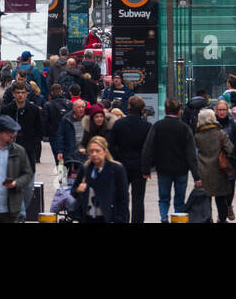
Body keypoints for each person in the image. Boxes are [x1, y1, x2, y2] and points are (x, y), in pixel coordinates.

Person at [141, 97, 200, 223]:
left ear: (166, 111)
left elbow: (148, 148)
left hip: (163, 168)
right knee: (179, 198)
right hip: (181, 169)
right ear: (179, 111)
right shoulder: (185, 128)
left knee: (164, 197)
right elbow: (191, 154)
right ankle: (178, 217)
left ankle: (164, 217)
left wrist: (146, 169)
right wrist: (196, 176)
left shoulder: (157, 126)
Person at [109, 95, 151, 224]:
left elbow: (111, 145)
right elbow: (149, 149)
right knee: (138, 199)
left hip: (122, 165)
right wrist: (148, 168)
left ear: (129, 107)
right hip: (140, 166)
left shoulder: (119, 124)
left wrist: (116, 161)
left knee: (121, 197)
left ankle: (122, 219)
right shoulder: (147, 126)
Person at [194, 108, 236, 222]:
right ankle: (221, 219)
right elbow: (231, 149)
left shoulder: (197, 135)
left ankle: (208, 219)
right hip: (219, 169)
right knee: (221, 198)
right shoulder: (221, 134)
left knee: (206, 198)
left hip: (203, 170)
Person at [74, 136, 130, 223]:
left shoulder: (116, 169)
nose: (94, 154)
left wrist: (121, 219)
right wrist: (78, 189)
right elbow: (73, 191)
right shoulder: (85, 169)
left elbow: (123, 198)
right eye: (91, 151)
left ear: (104, 151)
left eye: (97, 151)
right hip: (88, 217)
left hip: (108, 217)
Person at [54, 98, 90, 169]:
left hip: (84, 152)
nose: (81, 109)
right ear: (74, 108)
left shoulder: (88, 119)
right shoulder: (66, 119)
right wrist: (60, 151)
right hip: (71, 152)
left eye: (83, 107)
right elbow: (61, 135)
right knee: (71, 174)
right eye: (79, 107)